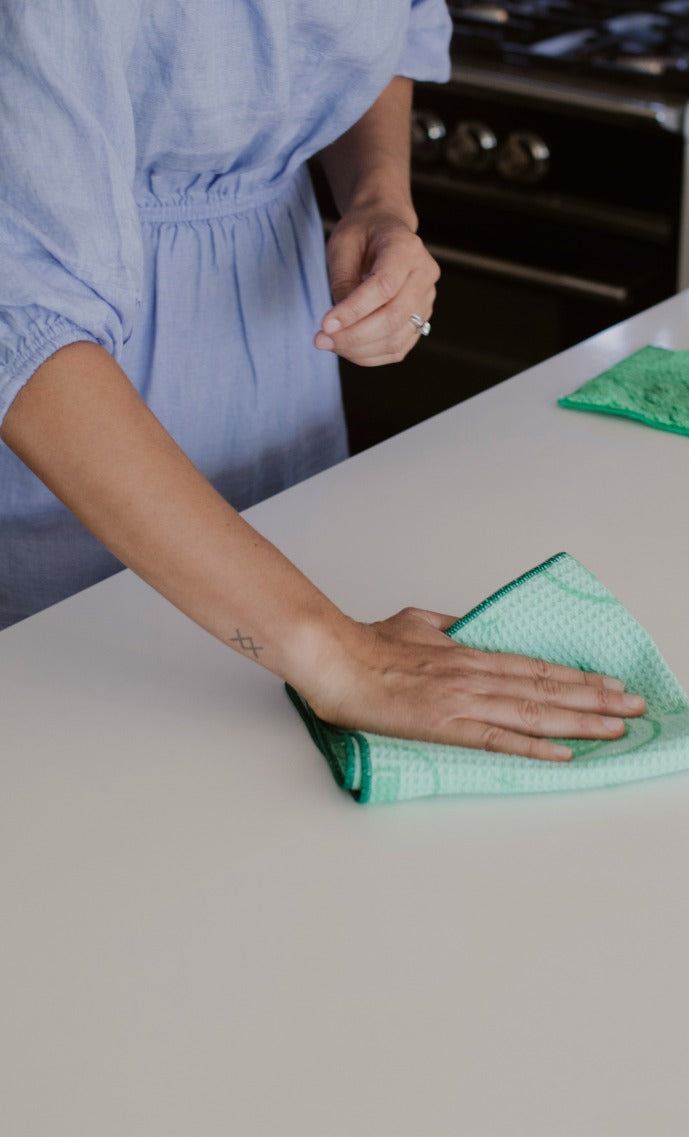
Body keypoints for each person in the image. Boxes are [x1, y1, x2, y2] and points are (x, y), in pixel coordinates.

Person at [0, 0, 645, 759]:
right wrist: (340, 657)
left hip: (275, 338)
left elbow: (383, 32)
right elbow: (26, 329)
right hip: (74, 415)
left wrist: (378, 201)